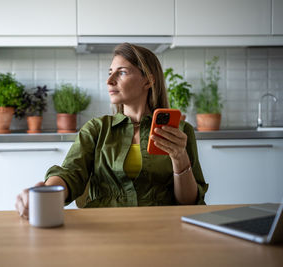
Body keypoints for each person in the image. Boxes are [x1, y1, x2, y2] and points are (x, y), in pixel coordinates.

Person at [15, 43, 208, 219]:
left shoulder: (180, 131)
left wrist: (179, 157)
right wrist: (46, 191)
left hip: (162, 228)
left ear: (148, 81)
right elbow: (71, 173)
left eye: (121, 72)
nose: (109, 80)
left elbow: (189, 203)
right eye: (110, 72)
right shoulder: (97, 129)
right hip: (102, 227)